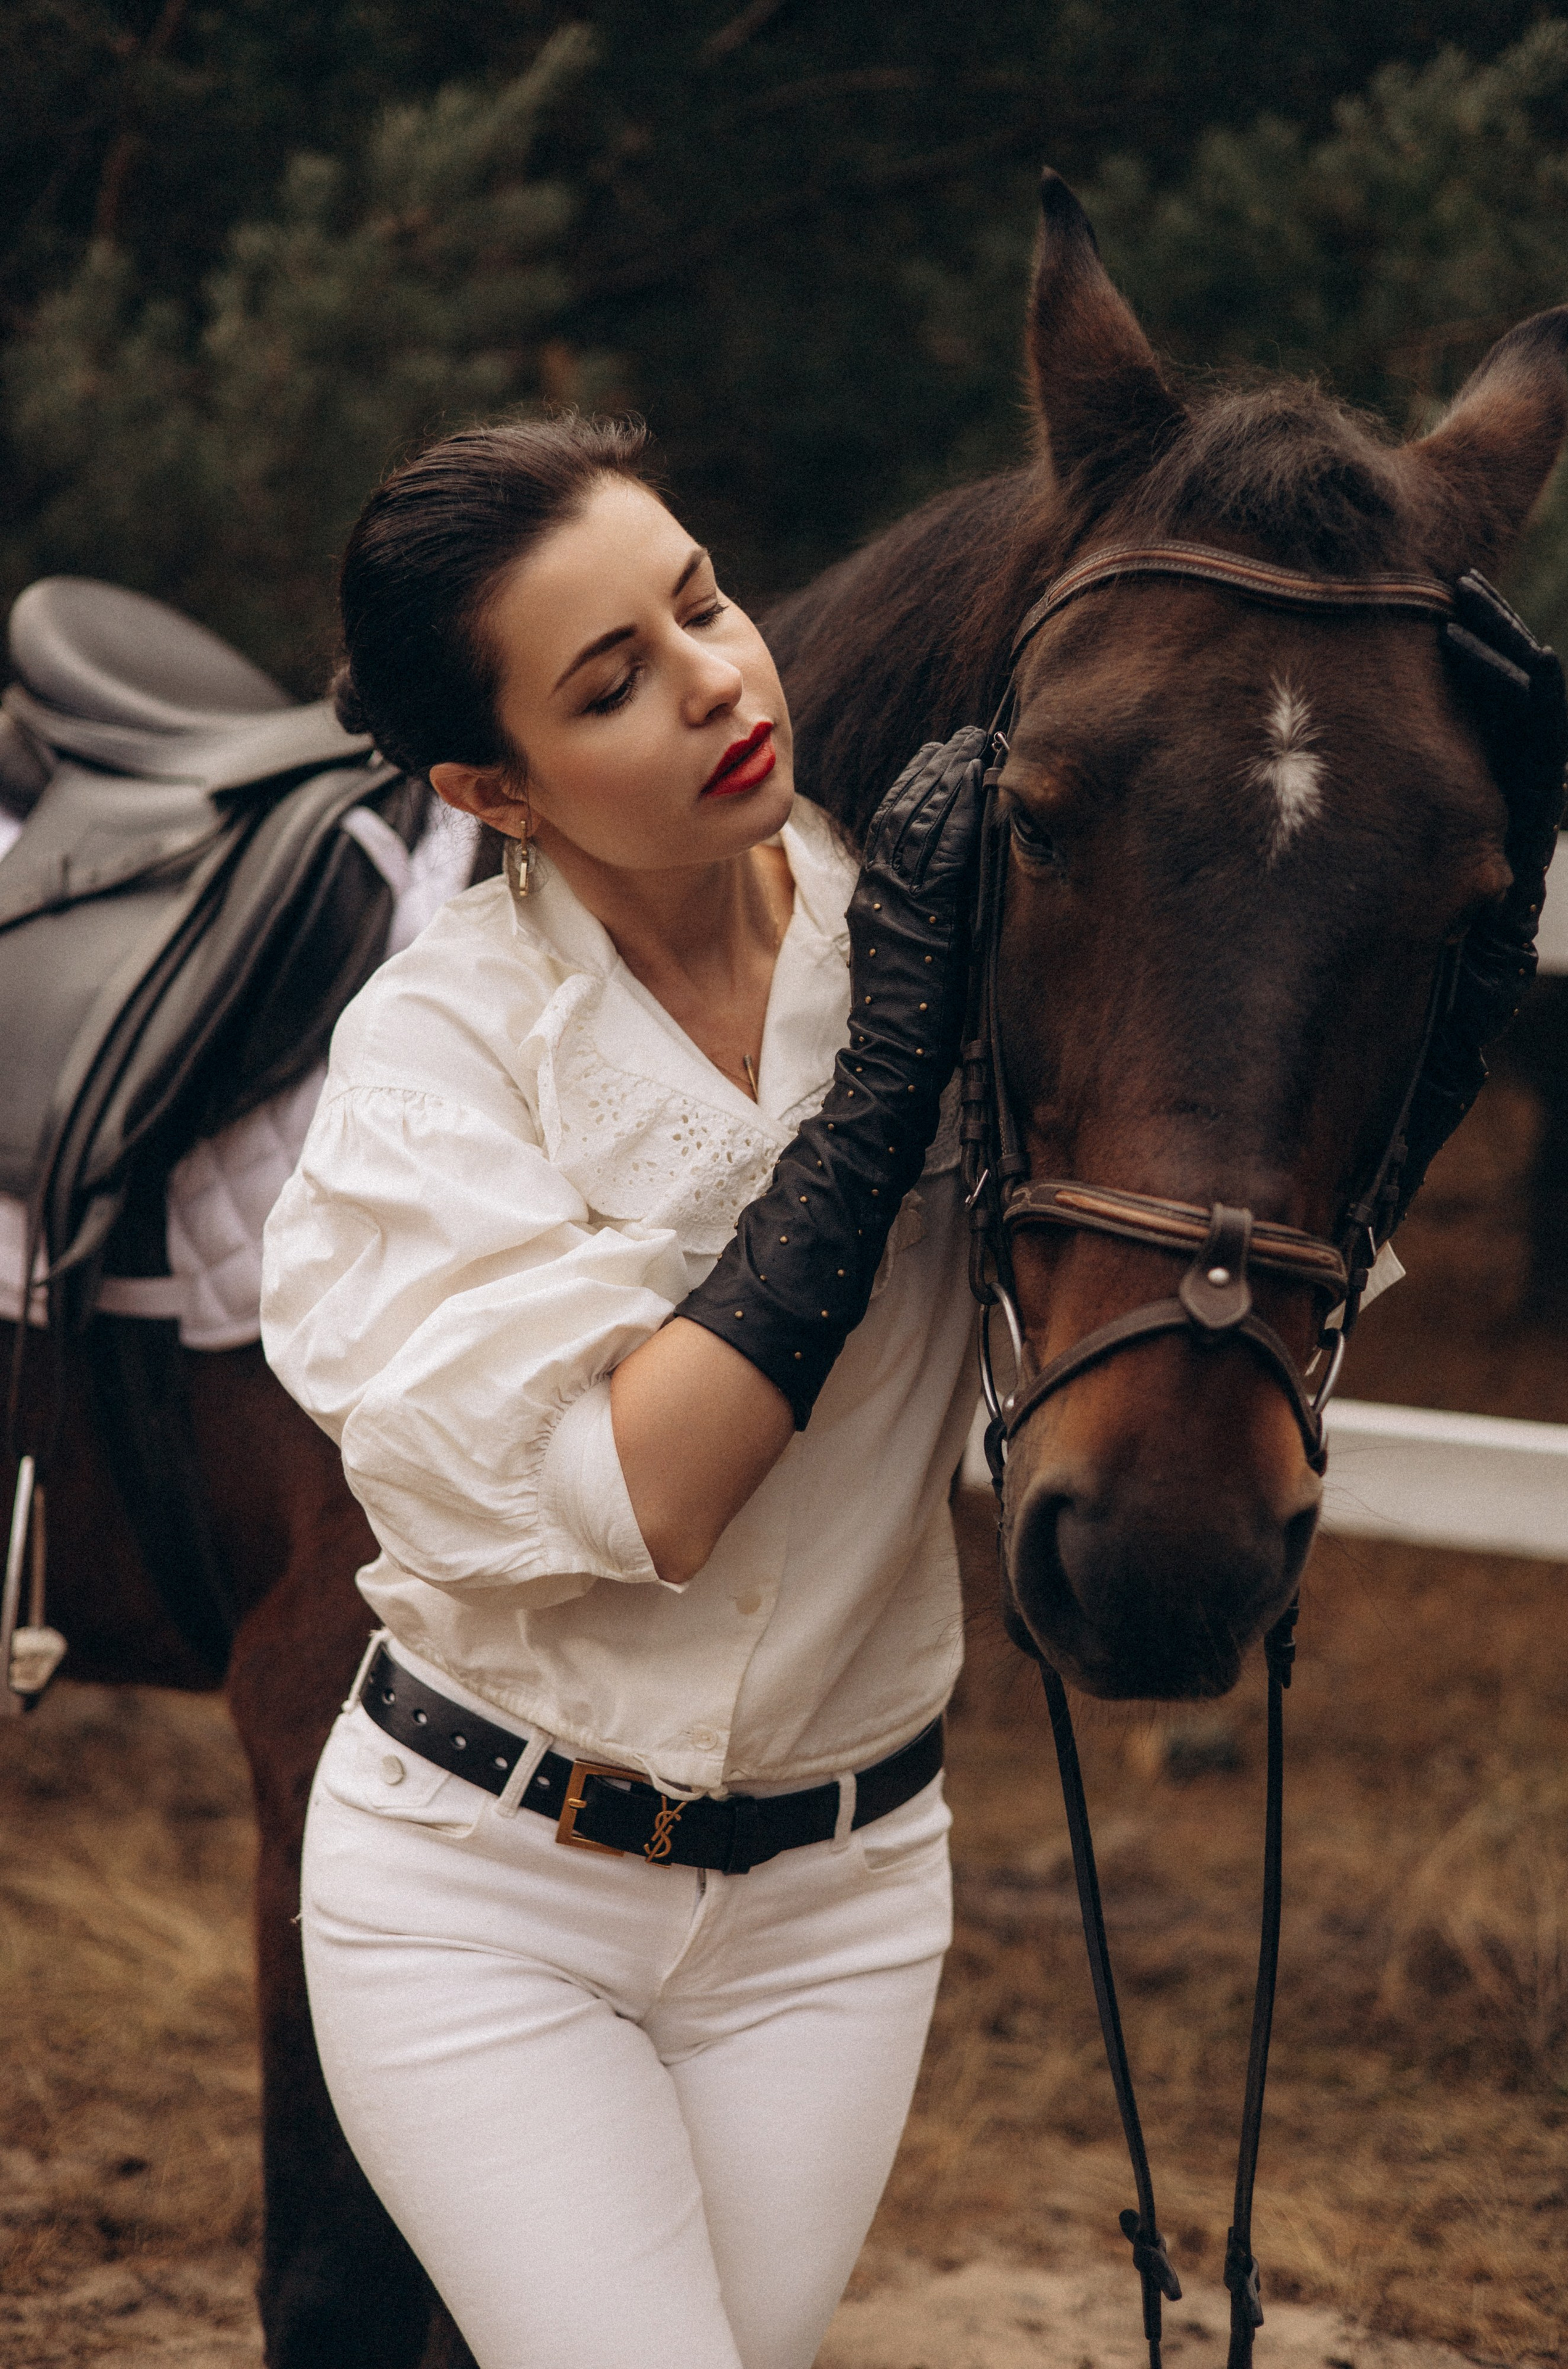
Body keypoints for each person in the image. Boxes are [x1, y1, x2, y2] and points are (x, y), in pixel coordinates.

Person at [260, 412, 988, 2369]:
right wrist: (884, 1099)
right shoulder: (437, 1063)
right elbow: (645, 1493)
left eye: (704, 604)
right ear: (493, 784)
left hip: (843, 1903)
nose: (717, 684)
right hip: (490, 1898)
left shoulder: (918, 926)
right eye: (614, 685)